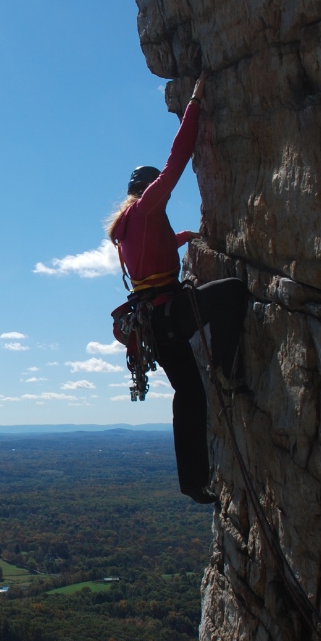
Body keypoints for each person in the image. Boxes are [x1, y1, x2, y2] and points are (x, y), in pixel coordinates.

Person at [107, 73, 250, 504]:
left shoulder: (127, 226)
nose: (163, 195)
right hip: (169, 314)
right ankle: (228, 369)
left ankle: (193, 482)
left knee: (189, 394)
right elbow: (178, 158)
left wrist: (189, 237)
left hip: (154, 324)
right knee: (232, 292)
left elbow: (157, 252)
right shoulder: (147, 207)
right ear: (147, 190)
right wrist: (194, 104)